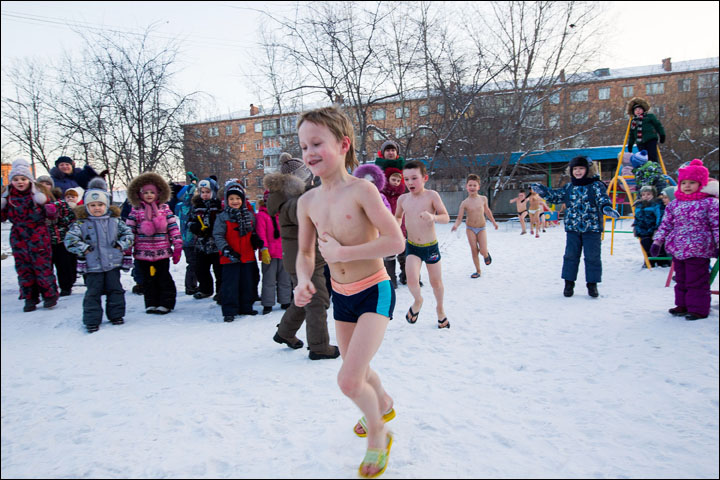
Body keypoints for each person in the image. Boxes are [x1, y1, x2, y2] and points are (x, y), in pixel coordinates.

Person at [293, 106, 405, 478]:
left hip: (374, 290)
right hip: (341, 295)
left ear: (343, 144)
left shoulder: (363, 190)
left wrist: (344, 253)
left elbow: (395, 241)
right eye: (304, 145)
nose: (309, 152)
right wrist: (303, 279)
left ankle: (378, 434)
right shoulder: (306, 201)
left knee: (348, 380)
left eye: (317, 143)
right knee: (358, 369)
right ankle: (383, 403)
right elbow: (305, 253)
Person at [264, 153, 340, 359]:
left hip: (310, 258)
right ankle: (319, 347)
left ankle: (285, 333)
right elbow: (306, 211)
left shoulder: (296, 197)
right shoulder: (289, 203)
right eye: (307, 175)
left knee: (305, 298)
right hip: (302, 261)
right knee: (318, 301)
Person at [531, 156, 620, 298]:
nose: (578, 171)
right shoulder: (569, 187)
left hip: (592, 228)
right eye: (575, 169)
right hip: (573, 228)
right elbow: (555, 196)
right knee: (570, 256)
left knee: (592, 257)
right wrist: (542, 190)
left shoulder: (596, 185)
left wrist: (606, 208)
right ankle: (569, 284)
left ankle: (592, 285)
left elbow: (602, 198)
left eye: (581, 168)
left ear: (588, 169)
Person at [651, 159, 719, 320]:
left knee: (696, 280)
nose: (687, 186)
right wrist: (657, 241)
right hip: (679, 248)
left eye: (692, 182)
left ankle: (698, 309)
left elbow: (717, 225)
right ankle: (683, 304)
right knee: (681, 279)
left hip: (699, 248)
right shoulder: (675, 205)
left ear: (701, 184)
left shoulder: (709, 203)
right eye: (684, 183)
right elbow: (666, 224)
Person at [64, 179, 133, 332]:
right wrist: (84, 248)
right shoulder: (81, 224)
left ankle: (116, 315)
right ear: (87, 206)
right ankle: (92, 320)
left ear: (106, 205)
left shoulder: (115, 222)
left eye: (100, 205)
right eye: (93, 205)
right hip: (92, 266)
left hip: (112, 264)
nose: (97, 208)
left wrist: (121, 245)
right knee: (93, 293)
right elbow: (70, 240)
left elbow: (129, 234)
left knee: (115, 290)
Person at [395, 160, 451, 328]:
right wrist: (395, 228)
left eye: (414, 178)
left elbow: (446, 217)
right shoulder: (403, 199)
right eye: (407, 179)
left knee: (436, 282)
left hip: (430, 246)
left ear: (425, 178)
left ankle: (440, 309)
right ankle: (418, 301)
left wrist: (433, 217)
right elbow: (397, 217)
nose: (410, 182)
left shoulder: (432, 195)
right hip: (412, 246)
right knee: (412, 280)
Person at [1, 159, 59, 311]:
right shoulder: (8, 197)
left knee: (42, 266)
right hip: (18, 235)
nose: (20, 182)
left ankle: (49, 295)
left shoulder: (38, 194)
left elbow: (53, 214)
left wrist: (50, 210)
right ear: (11, 181)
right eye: (16, 179)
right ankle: (30, 297)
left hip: (38, 234)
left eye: (23, 179)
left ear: (29, 180)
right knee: (23, 268)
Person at [125, 172, 182, 314]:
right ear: (140, 194)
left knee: (163, 277)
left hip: (162, 250)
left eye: (152, 192)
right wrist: (127, 247)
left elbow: (173, 227)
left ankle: (166, 302)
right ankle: (151, 302)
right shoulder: (136, 211)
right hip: (143, 252)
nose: (149, 195)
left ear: (158, 193)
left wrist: (177, 244)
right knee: (148, 279)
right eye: (146, 192)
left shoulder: (165, 209)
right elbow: (129, 230)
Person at [212, 180, 260, 322]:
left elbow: (253, 232)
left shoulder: (249, 216)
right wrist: (226, 249)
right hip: (230, 256)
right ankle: (229, 310)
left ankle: (246, 306)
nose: (235, 201)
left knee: (247, 282)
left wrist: (255, 239)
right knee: (230, 284)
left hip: (247, 255)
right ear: (226, 200)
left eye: (238, 198)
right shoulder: (222, 217)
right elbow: (218, 235)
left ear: (243, 200)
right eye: (231, 199)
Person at [451, 174, 498, 278]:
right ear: (466, 187)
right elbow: (459, 218)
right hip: (470, 228)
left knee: (483, 250)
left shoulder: (483, 199)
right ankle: (478, 271)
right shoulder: (464, 203)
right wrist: (456, 225)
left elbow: (487, 211)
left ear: (478, 187)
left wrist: (494, 222)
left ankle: (486, 254)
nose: (472, 187)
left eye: (474, 185)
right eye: (470, 185)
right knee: (474, 250)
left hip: (482, 228)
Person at [37, 175, 78, 296]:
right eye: (42, 184)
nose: (45, 186)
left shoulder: (61, 203)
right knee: (45, 266)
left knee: (64, 265)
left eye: (47, 183)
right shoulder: (35, 202)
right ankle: (47, 288)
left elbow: (71, 218)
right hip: (42, 240)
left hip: (61, 239)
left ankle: (66, 286)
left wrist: (58, 219)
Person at [255, 191, 292, 314]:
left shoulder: (282, 214)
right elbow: (261, 233)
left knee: (285, 279)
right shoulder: (262, 215)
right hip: (269, 253)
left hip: (283, 252)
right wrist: (264, 250)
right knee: (269, 280)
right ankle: (268, 303)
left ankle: (285, 300)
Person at [187, 177, 223, 301]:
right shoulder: (197, 206)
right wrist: (195, 227)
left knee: (219, 269)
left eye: (207, 192)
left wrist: (213, 228)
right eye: (202, 192)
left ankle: (221, 291)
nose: (205, 195)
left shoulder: (218, 205)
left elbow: (222, 221)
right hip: (201, 244)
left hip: (216, 244)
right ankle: (205, 289)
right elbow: (190, 221)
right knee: (201, 268)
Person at [380, 167, 408, 288]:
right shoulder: (382, 194)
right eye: (393, 179)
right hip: (387, 229)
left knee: (404, 254)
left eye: (398, 180)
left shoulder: (402, 195)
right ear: (387, 179)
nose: (396, 182)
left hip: (402, 227)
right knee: (389, 256)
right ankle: (391, 280)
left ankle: (406, 277)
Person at [632, 185, 670, 267]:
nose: (646, 196)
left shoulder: (656, 205)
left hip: (653, 228)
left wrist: (657, 228)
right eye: (643, 195)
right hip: (642, 230)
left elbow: (659, 217)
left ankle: (662, 260)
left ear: (653, 195)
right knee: (645, 243)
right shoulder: (638, 205)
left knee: (657, 244)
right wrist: (635, 227)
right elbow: (637, 218)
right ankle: (649, 260)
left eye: (648, 194)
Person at [175, 173, 200, 295]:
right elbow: (188, 197)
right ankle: (190, 286)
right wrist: (193, 184)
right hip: (188, 242)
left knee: (196, 264)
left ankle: (194, 285)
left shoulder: (192, 207)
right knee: (193, 264)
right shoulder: (184, 207)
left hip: (195, 241)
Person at [626, 97, 666, 163]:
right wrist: (630, 145)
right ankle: (645, 168)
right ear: (634, 112)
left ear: (643, 110)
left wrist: (662, 134)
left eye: (639, 109)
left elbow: (658, 125)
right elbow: (632, 134)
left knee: (652, 155)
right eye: (636, 110)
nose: (638, 111)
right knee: (643, 157)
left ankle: (654, 166)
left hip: (650, 139)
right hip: (640, 142)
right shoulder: (633, 122)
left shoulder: (649, 116)